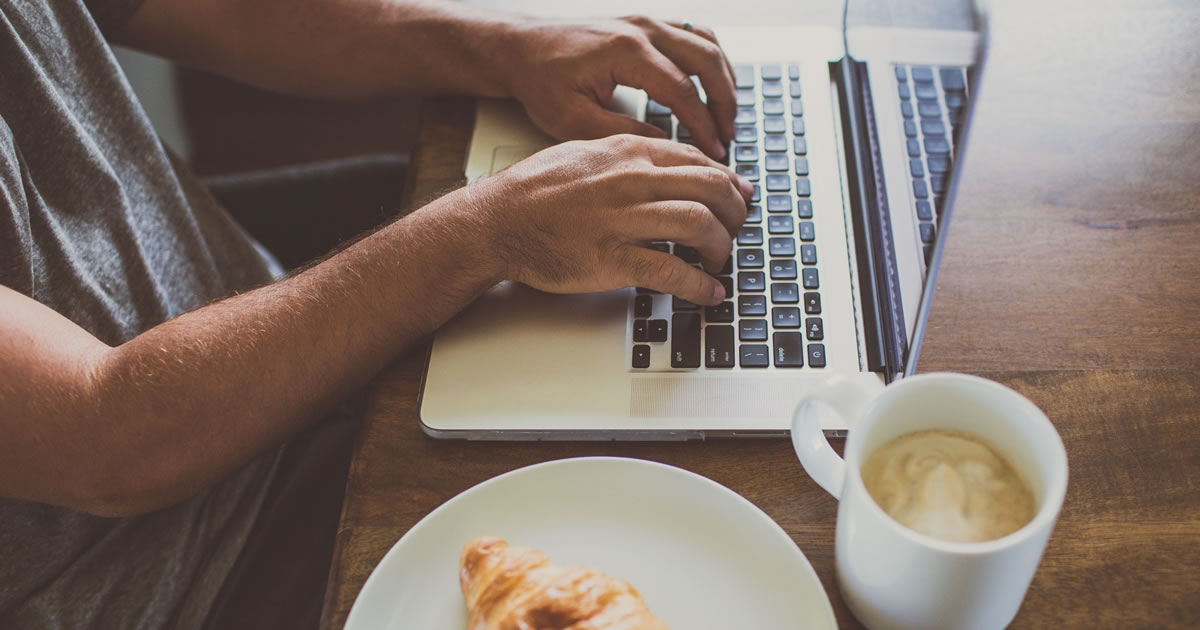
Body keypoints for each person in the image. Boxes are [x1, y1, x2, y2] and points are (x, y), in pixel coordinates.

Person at [0, 0, 750, 627]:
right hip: (191, 578)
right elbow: (104, 437)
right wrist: (487, 231)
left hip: (241, 298)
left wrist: (505, 45)